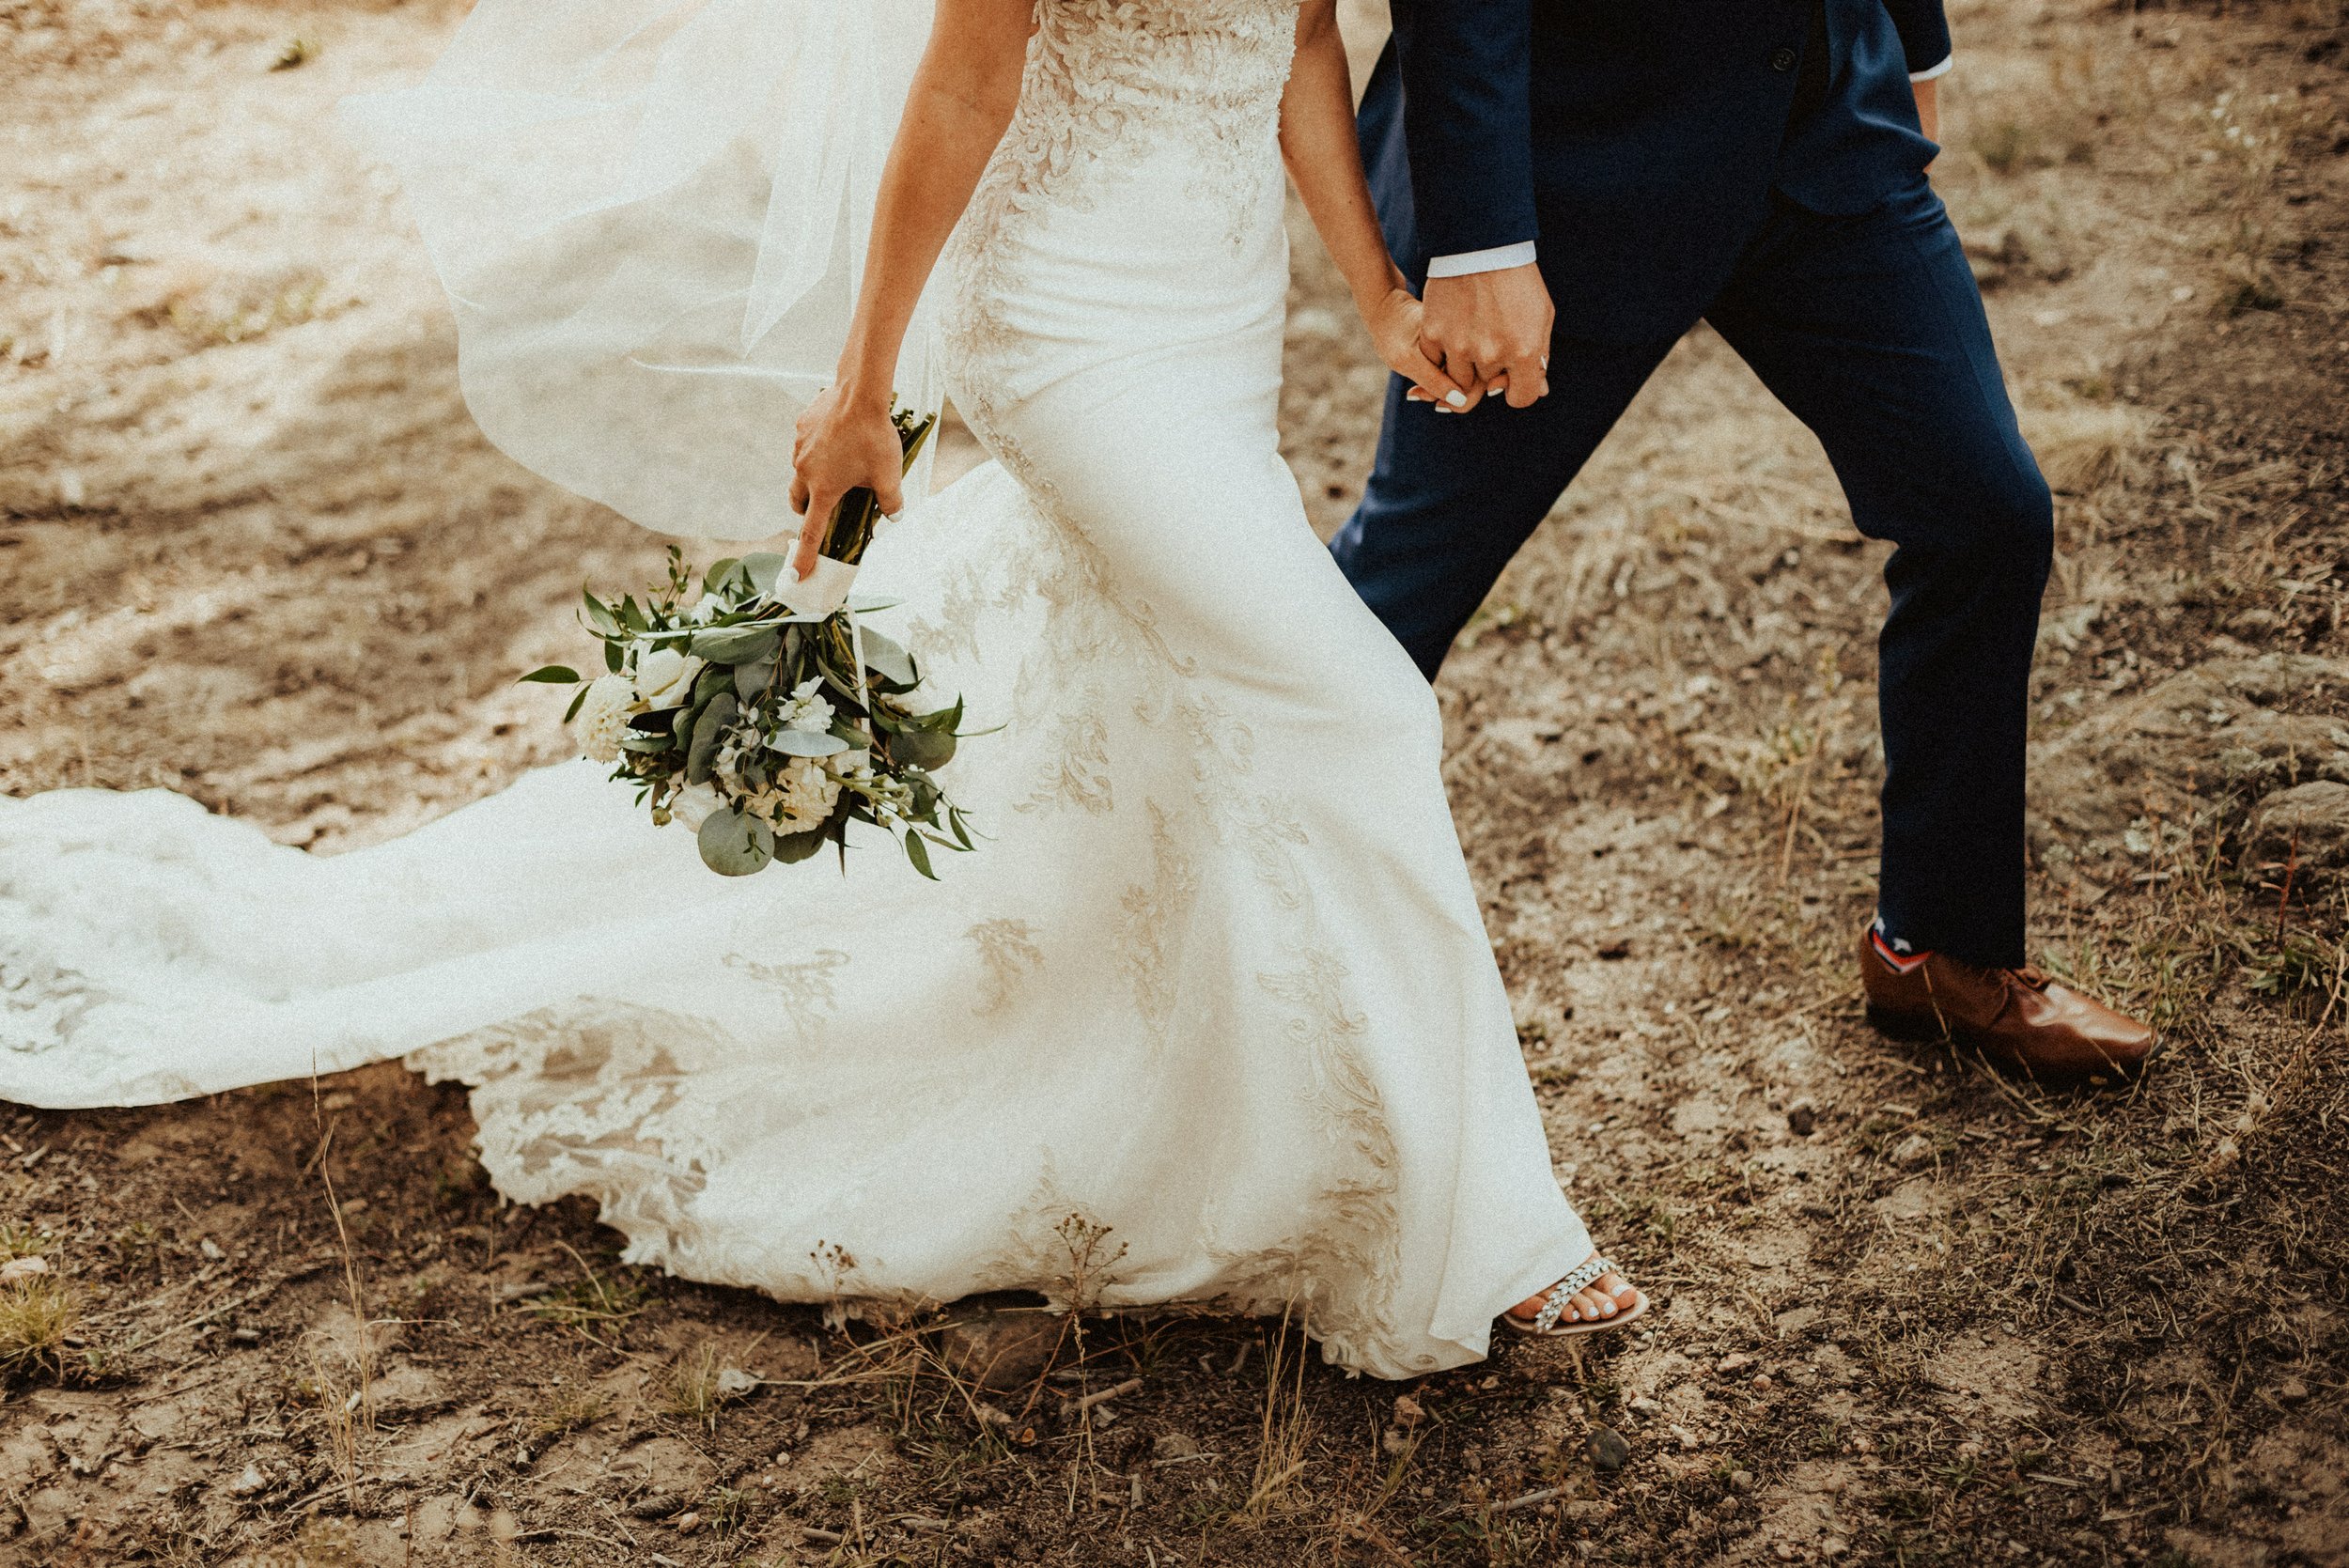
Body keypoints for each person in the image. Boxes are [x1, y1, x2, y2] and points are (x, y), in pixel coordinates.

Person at [0, 0, 1646, 1375]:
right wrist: (862, 395)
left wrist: (1368, 292)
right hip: (1071, 324)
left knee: (1184, 720)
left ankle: (1222, 1126)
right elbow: (963, 86)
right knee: (1360, 706)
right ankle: (1489, 1233)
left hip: (1214, 319)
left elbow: (1295, 38)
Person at [1330, 0, 2156, 1086]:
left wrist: (1915, 46)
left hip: (1825, 134)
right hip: (1570, 172)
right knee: (1393, 600)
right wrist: (1483, 237)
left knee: (1986, 513)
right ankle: (1242, 949)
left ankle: (1937, 952)